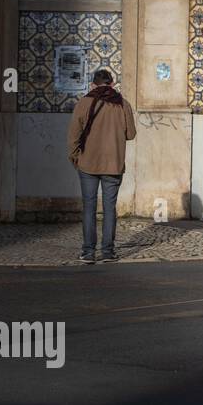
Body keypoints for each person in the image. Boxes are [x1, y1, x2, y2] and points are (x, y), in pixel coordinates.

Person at [66, 69, 137, 263]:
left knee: (89, 207)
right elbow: (131, 134)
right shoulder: (123, 104)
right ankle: (108, 252)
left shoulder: (84, 102)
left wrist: (75, 157)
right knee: (109, 208)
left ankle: (88, 252)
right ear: (112, 84)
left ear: (93, 84)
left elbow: (73, 135)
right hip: (113, 165)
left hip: (88, 163)